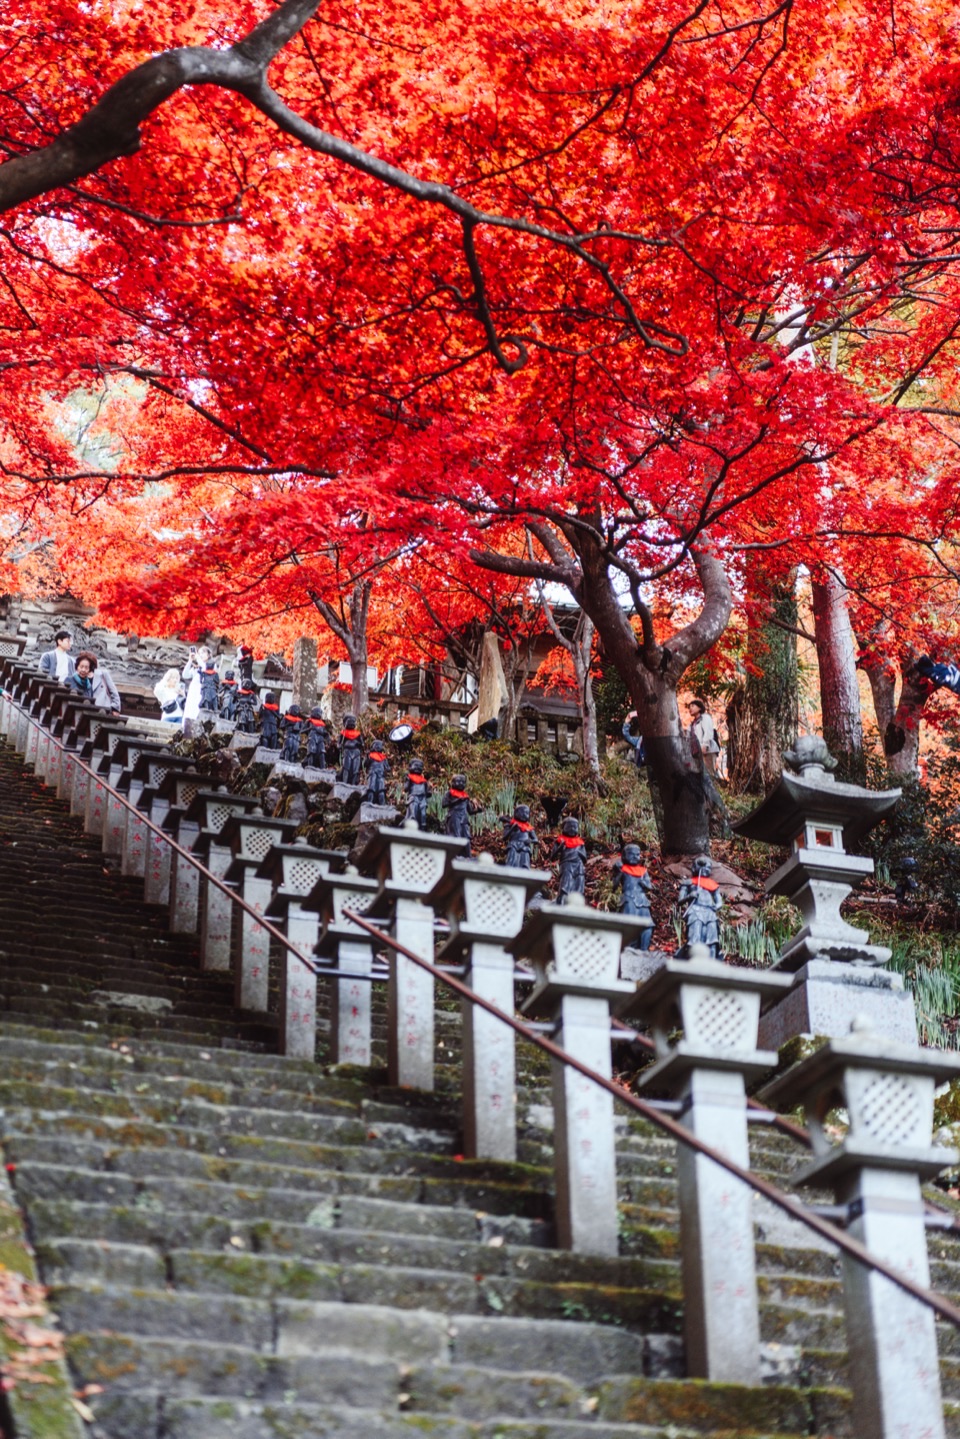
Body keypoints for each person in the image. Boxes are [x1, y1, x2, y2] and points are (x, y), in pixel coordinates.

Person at [678, 854, 723, 957]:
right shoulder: (689, 883)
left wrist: (716, 906)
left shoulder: (713, 884)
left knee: (712, 939)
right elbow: (680, 900)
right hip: (695, 911)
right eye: (703, 867)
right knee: (695, 937)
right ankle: (691, 959)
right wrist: (690, 895)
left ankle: (712, 960)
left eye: (708, 867)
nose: (706, 870)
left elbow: (719, 901)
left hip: (710, 912)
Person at [612, 842, 653, 950]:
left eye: (638, 854)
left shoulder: (643, 871)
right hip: (628, 899)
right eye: (632, 854)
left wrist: (643, 883)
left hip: (642, 900)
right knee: (629, 924)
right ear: (624, 856)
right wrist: (619, 872)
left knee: (648, 925)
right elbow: (614, 886)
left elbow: (649, 886)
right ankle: (629, 949)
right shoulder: (623, 869)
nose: (636, 857)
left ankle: (644, 949)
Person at [551, 816, 586, 903]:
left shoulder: (580, 843)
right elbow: (552, 857)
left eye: (575, 827)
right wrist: (560, 848)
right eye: (570, 826)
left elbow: (585, 858)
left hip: (578, 865)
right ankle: (562, 900)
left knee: (579, 883)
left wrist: (578, 854)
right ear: (563, 828)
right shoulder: (560, 841)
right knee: (565, 884)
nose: (572, 829)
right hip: (567, 864)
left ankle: (576, 902)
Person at [442, 773, 480, 851]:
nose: (461, 784)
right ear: (453, 783)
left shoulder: (465, 797)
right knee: (456, 835)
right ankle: (453, 854)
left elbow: (470, 811)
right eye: (458, 781)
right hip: (454, 817)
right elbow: (444, 804)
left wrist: (478, 810)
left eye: (463, 782)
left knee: (466, 836)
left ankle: (467, 855)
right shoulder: (450, 793)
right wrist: (457, 800)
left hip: (464, 819)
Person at [686, 698, 720, 776]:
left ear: (700, 708)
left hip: (707, 751)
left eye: (693, 706)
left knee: (709, 774)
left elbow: (708, 732)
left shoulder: (705, 718)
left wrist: (705, 745)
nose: (690, 708)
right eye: (689, 707)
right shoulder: (691, 724)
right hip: (696, 753)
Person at [502, 803, 537, 868]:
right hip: (513, 844)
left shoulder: (529, 828)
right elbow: (504, 837)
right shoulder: (510, 825)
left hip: (524, 846)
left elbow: (535, 839)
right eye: (523, 813)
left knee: (524, 862)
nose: (525, 815)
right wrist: (512, 829)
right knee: (512, 861)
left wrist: (530, 841)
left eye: (527, 813)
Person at [403, 758, 431, 828]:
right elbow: (406, 788)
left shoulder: (424, 781)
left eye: (420, 766)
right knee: (413, 814)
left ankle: (422, 829)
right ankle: (410, 828)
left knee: (423, 815)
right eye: (416, 765)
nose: (418, 768)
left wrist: (429, 792)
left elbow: (427, 792)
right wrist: (408, 781)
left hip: (422, 799)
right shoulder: (409, 778)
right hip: (413, 797)